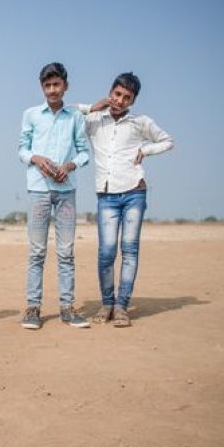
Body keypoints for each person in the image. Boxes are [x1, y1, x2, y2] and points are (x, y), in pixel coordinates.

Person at [77, 72, 174, 327]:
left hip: (134, 192)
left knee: (129, 250)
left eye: (126, 97)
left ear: (133, 101)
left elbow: (167, 141)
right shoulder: (94, 121)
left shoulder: (139, 122)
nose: (120, 100)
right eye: (117, 94)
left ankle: (121, 306)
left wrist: (145, 149)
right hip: (106, 195)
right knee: (106, 252)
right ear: (111, 91)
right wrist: (92, 107)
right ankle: (107, 302)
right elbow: (67, 114)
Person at [17, 62, 90, 330]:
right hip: (38, 190)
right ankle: (32, 308)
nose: (52, 90)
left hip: (66, 191)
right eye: (47, 86)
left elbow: (84, 152)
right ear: (42, 87)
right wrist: (35, 158)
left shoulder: (75, 117)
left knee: (66, 252)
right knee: (37, 252)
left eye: (56, 84)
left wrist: (69, 165)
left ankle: (67, 308)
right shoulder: (31, 115)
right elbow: (22, 148)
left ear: (65, 86)